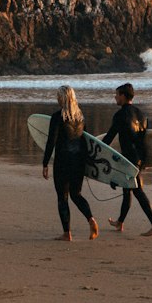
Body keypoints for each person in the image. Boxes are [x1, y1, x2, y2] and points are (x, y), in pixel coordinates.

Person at [102, 83, 152, 236]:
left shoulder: (120, 115)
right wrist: (145, 161)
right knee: (127, 190)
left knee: (137, 191)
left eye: (117, 95)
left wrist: (95, 151)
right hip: (139, 158)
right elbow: (144, 140)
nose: (115, 97)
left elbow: (109, 138)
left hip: (128, 159)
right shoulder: (141, 115)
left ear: (123, 96)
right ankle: (120, 223)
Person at [41, 86, 99, 242]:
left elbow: (51, 142)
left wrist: (45, 163)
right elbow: (86, 141)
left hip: (63, 162)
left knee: (63, 197)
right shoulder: (80, 117)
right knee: (76, 194)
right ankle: (91, 219)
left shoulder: (57, 117)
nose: (56, 99)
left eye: (58, 96)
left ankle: (67, 234)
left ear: (62, 98)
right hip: (78, 161)